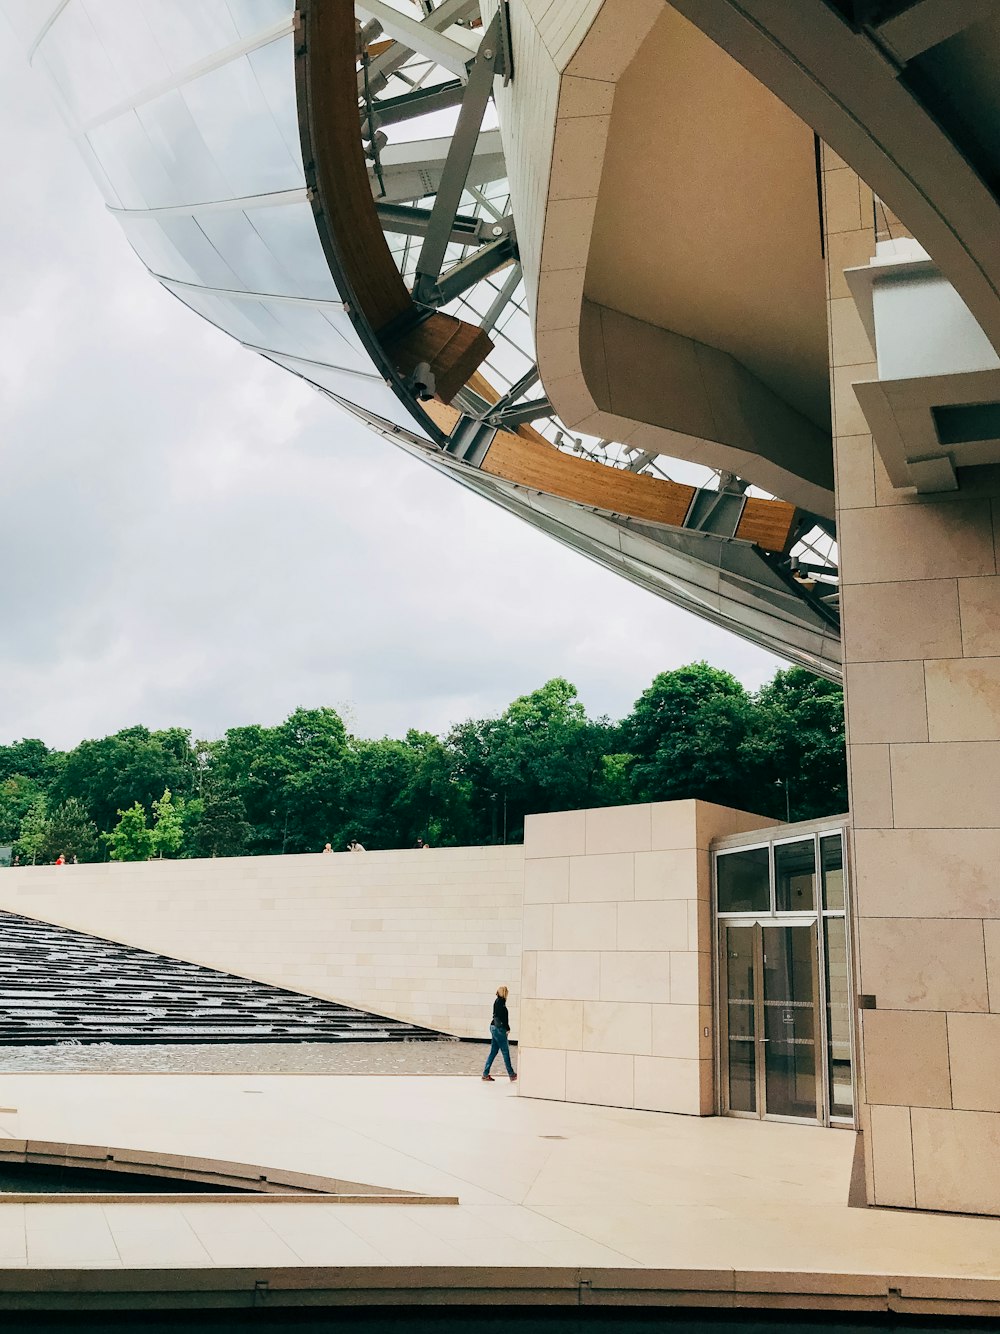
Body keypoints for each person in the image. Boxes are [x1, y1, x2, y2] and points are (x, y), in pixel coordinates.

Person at [482, 985, 516, 1083]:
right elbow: (504, 1018)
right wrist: (507, 1029)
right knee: (505, 1052)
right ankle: (512, 1074)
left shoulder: (496, 1001)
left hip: (493, 1027)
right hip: (499, 1029)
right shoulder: (502, 1003)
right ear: (504, 993)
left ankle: (485, 1074)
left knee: (493, 1052)